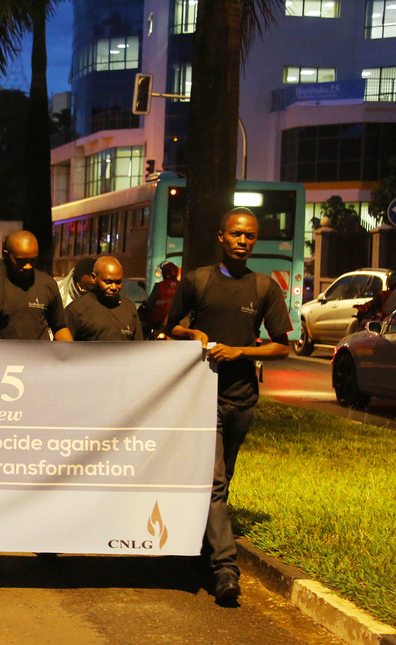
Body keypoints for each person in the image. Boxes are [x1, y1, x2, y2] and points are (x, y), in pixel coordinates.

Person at [166, 207, 292, 604]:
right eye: (236, 234)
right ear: (221, 236)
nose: (243, 241)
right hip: (201, 400)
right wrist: (194, 333)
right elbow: (170, 328)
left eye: (250, 236)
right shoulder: (198, 280)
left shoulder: (264, 288)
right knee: (214, 483)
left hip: (242, 400)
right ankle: (226, 570)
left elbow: (282, 346)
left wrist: (241, 351)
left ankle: (202, 546)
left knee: (223, 481)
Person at [0, 231, 72, 341]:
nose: (28, 266)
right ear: (6, 255)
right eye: (21, 261)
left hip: (39, 355)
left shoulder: (47, 284)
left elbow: (60, 328)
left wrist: (69, 354)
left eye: (33, 260)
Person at [66, 256, 143, 341]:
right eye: (107, 282)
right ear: (93, 278)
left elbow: (138, 347)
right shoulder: (76, 310)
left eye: (118, 282)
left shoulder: (129, 308)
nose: (113, 287)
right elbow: (63, 348)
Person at [140, 262, 180, 339]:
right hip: (176, 321)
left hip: (157, 321)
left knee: (142, 328)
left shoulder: (159, 286)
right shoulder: (181, 285)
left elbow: (149, 304)